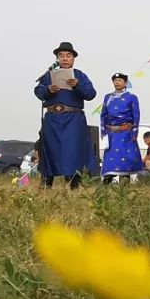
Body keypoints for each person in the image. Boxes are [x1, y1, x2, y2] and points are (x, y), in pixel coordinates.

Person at [34, 41, 98, 189]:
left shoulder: (80, 75)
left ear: (73, 59)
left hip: (73, 119)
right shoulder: (48, 76)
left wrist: (77, 86)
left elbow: (91, 94)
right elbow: (38, 92)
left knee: (73, 151)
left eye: (68, 56)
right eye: (61, 55)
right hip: (52, 119)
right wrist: (49, 89)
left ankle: (73, 186)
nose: (65, 58)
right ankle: (46, 185)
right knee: (49, 150)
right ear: (57, 58)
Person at [99, 73, 144, 184]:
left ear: (125, 83)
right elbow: (103, 115)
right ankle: (107, 184)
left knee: (126, 159)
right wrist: (103, 131)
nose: (117, 82)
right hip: (111, 134)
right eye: (115, 80)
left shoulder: (131, 97)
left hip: (126, 132)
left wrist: (134, 133)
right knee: (110, 160)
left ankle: (125, 186)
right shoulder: (108, 97)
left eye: (120, 80)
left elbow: (136, 116)